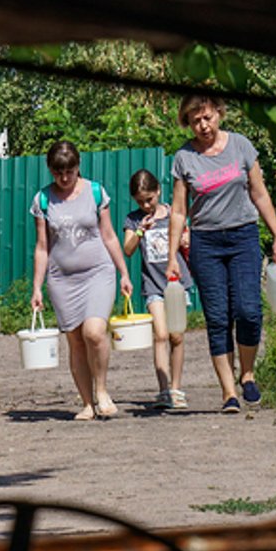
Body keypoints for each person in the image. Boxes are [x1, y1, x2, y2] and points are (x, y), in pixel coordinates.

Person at [165, 94, 276, 414]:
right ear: (188, 124)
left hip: (244, 236)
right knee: (217, 318)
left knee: (248, 311)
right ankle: (228, 392)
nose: (203, 126)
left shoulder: (241, 146)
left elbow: (259, 193)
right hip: (205, 243)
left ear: (219, 114)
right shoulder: (184, 157)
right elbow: (178, 211)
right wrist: (171, 255)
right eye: (195, 121)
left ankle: (247, 373)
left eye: (207, 118)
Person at [30, 140, 132, 420]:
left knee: (94, 332)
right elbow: (42, 246)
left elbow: (109, 235)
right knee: (75, 341)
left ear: (78, 168)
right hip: (61, 279)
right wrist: (37, 287)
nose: (64, 178)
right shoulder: (43, 199)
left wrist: (123, 272)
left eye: (69, 172)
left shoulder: (95, 192)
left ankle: (102, 391)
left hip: (98, 272)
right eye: (58, 173)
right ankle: (87, 403)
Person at [122, 169, 190, 410]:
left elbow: (186, 237)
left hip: (176, 283)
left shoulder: (173, 213)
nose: (146, 205)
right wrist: (141, 230)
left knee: (177, 335)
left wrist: (185, 240)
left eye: (149, 199)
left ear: (158, 191)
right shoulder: (133, 219)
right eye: (140, 201)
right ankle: (163, 391)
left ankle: (176, 387)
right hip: (152, 284)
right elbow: (127, 249)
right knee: (161, 334)